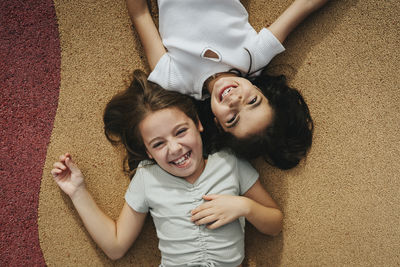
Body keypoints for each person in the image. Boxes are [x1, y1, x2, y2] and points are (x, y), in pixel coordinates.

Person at [51, 70, 283, 266]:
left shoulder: (230, 163)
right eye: (158, 144)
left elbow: (274, 224)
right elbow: (115, 246)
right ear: (149, 153)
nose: (174, 148)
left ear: (198, 124)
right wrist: (77, 192)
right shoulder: (147, 177)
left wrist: (244, 207)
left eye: (181, 131)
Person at [126, 0, 328, 169]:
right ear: (261, 90)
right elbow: (305, 5)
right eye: (253, 101)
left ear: (217, 124)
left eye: (232, 119)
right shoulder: (255, 57)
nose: (234, 101)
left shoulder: (173, 81)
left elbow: (141, 15)